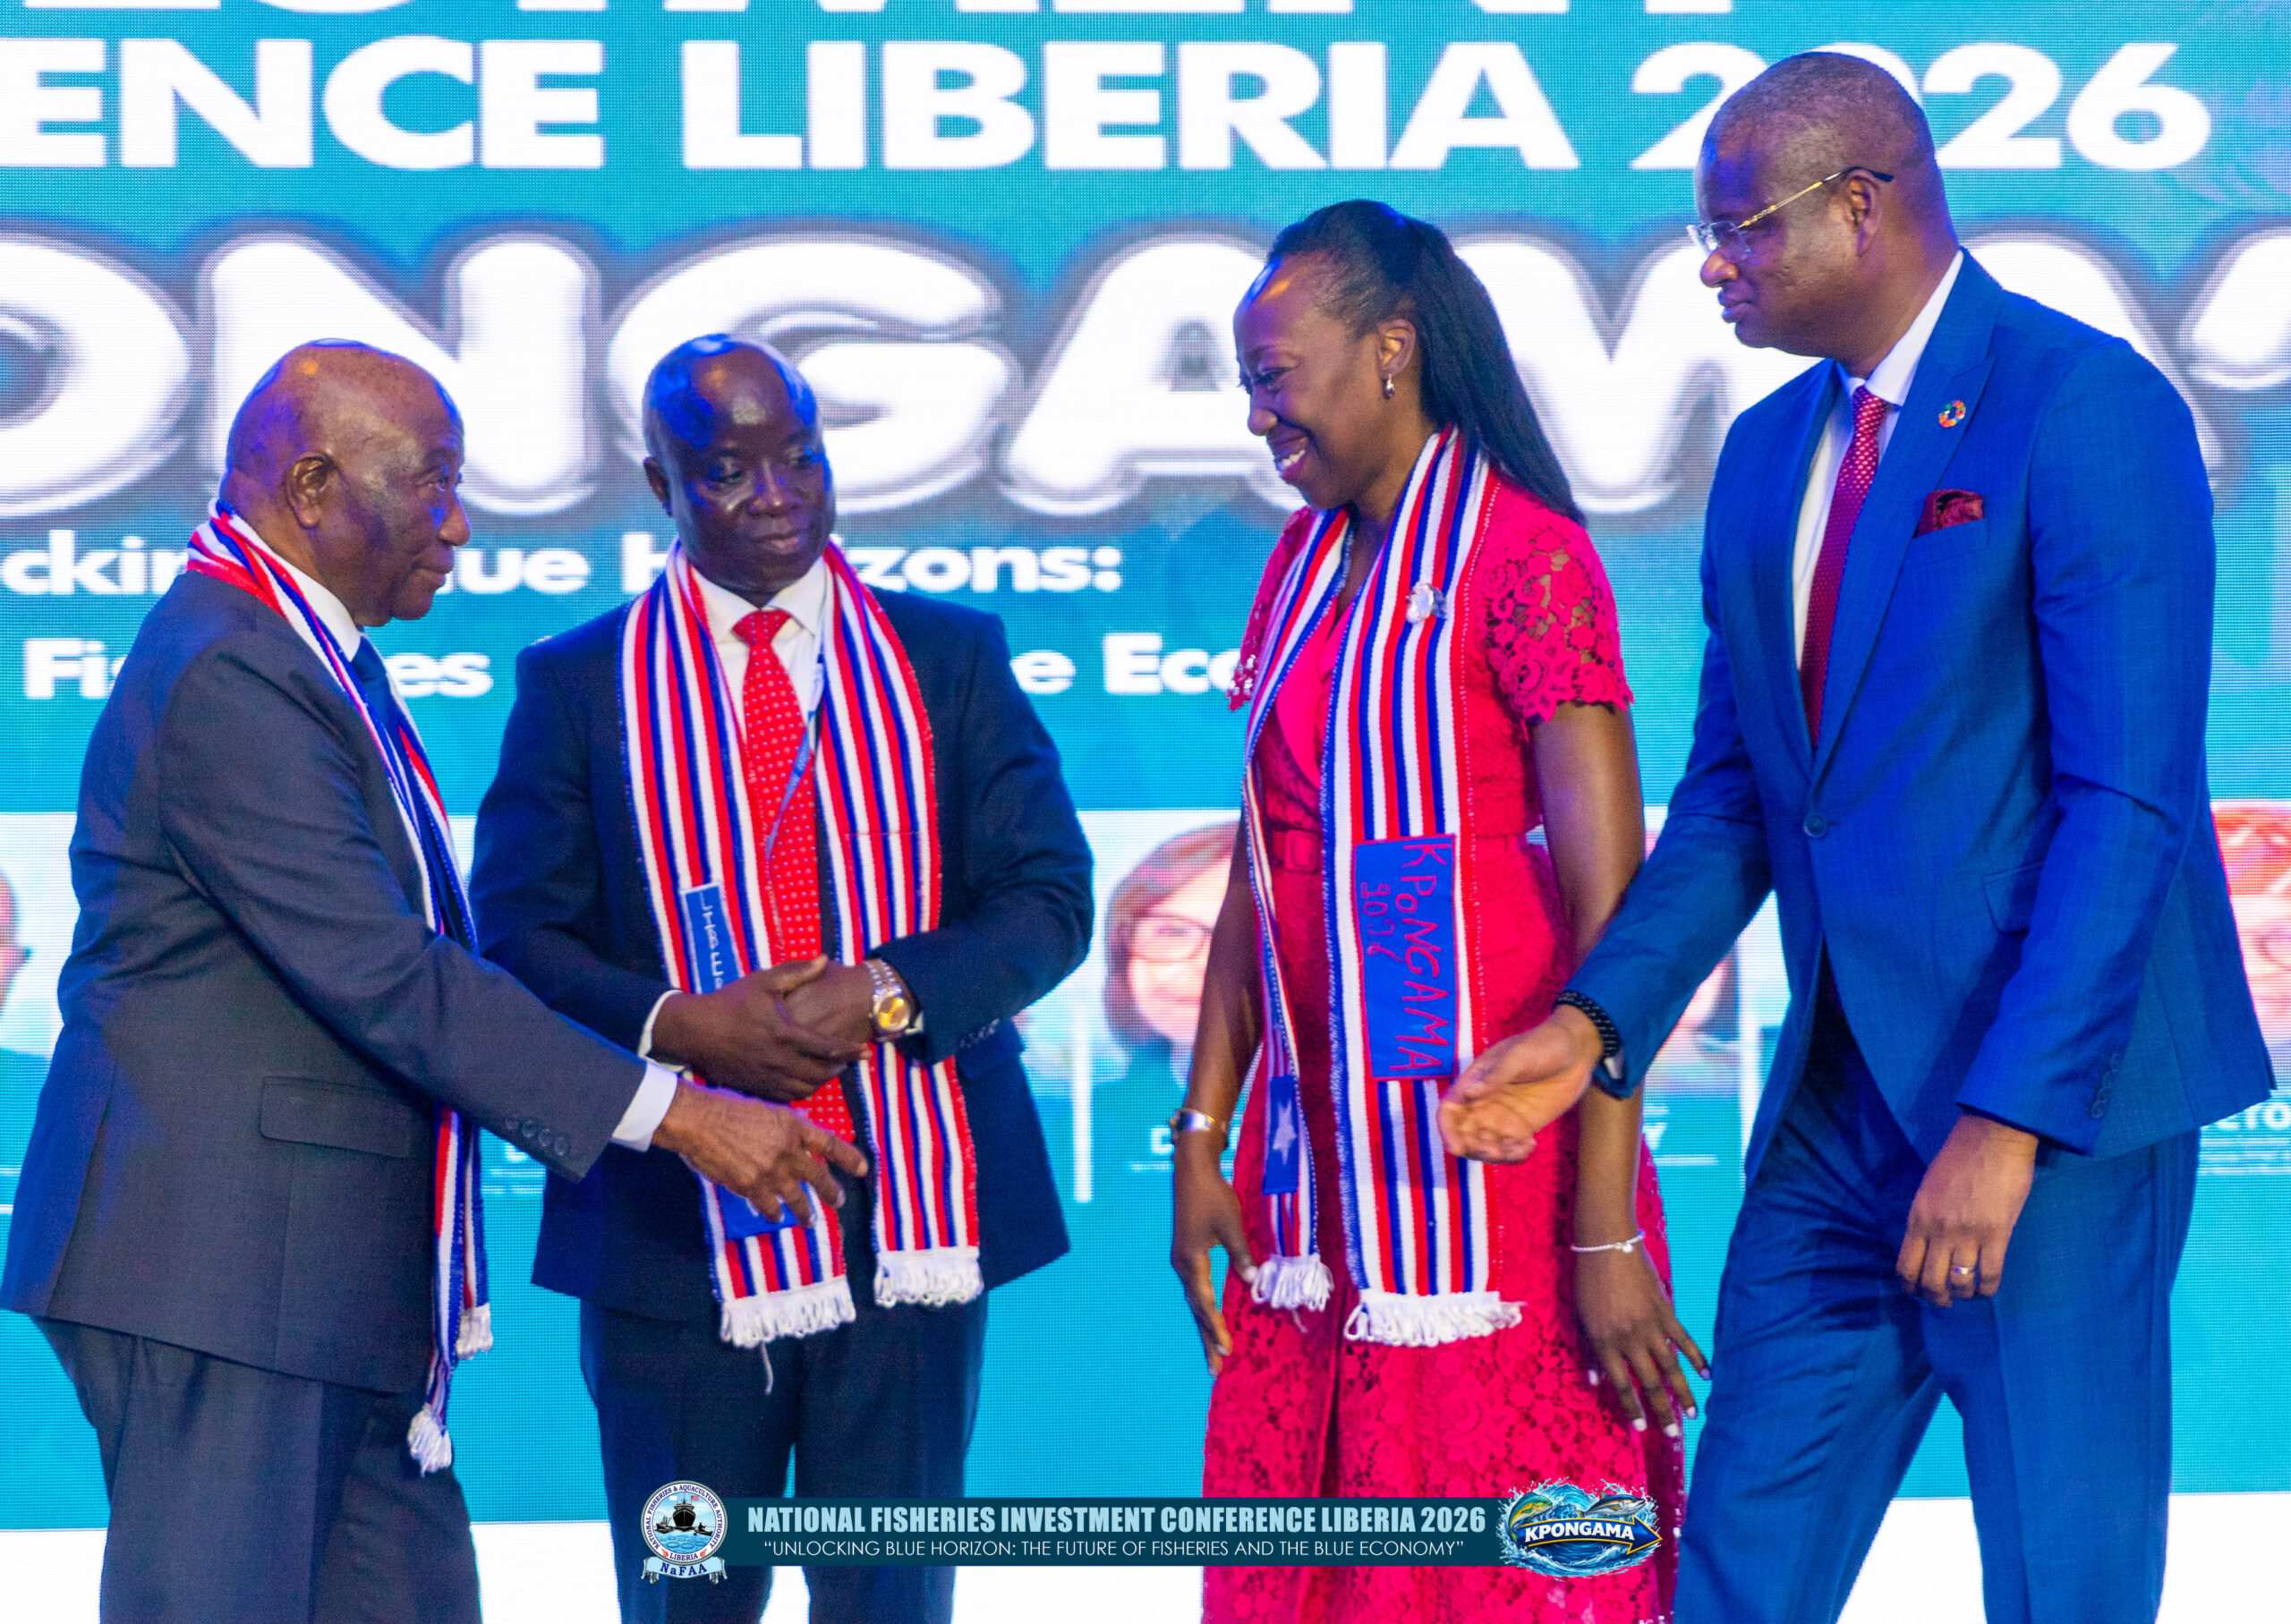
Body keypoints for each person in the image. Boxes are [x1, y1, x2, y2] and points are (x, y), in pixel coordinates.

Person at [1444, 55, 2275, 1624]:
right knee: (1735, 1570)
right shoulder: (1769, 455)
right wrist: (1594, 1022)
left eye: (1739, 229)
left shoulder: (2085, 407)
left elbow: (2128, 807)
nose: (1712, 267)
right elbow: (1739, 795)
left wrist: (2007, 1122)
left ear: (1861, 205)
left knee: (2064, 1587)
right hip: (1837, 1111)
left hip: (2053, 1118)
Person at [0, 342, 864, 1624]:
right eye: (433, 484)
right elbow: (387, 975)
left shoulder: (295, 648)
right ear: (311, 488)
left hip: (315, 1279)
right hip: (220, 1269)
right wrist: (681, 1113)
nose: (458, 524)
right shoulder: (231, 664)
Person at [468, 335, 1091, 1624]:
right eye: (728, 470)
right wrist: (681, 1025)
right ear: (662, 483)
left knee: (889, 1605)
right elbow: (518, 938)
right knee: (686, 1599)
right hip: (672, 1232)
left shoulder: (947, 656)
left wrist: (887, 989)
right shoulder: (578, 682)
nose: (776, 495)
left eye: (799, 456)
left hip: (910, 1227)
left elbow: (1048, 900)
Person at [1171, 200, 1695, 1623]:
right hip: (1315, 1190)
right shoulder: (1297, 569)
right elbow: (1263, 872)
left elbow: (1619, 926)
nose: (1258, 414)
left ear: (1391, 349)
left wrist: (1603, 1234)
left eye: (1275, 376)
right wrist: (1203, 1132)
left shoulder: (1527, 559)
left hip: (1496, 1188)